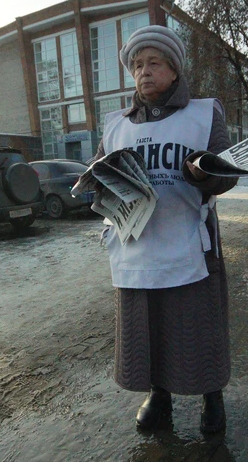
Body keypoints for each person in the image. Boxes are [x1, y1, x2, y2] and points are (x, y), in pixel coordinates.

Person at [93, 25, 236, 434]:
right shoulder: (116, 124)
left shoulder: (204, 113)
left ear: (173, 69)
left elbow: (227, 175)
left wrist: (203, 172)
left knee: (198, 322)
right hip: (136, 244)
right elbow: (99, 175)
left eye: (153, 63)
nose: (144, 72)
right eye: (137, 65)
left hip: (189, 240)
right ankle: (159, 393)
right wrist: (100, 190)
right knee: (148, 325)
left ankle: (212, 397)